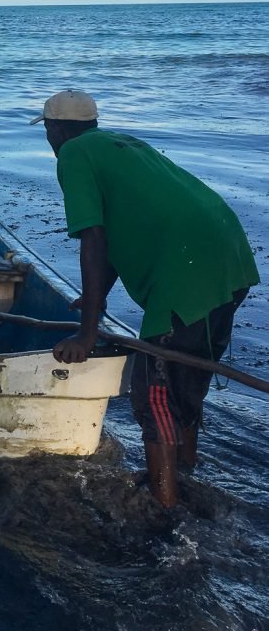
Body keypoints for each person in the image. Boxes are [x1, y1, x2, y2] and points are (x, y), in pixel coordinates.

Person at [32, 89, 260, 507]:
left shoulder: (74, 155)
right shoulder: (122, 144)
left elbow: (94, 238)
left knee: (153, 394)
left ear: (57, 129)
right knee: (189, 377)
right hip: (229, 260)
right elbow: (124, 229)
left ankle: (165, 508)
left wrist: (86, 336)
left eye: (48, 131)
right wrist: (96, 300)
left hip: (185, 275)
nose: (49, 140)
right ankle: (186, 468)